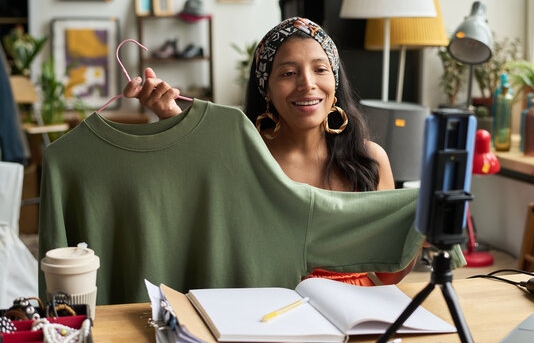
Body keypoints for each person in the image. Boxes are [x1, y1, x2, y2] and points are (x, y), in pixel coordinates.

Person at [123, 17, 418, 286]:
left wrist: (419, 234)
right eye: (288, 73)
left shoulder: (370, 160)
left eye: (320, 69)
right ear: (267, 88)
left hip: (355, 319)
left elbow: (388, 275)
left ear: (335, 81)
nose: (307, 84)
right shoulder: (241, 159)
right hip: (269, 316)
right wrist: (170, 115)